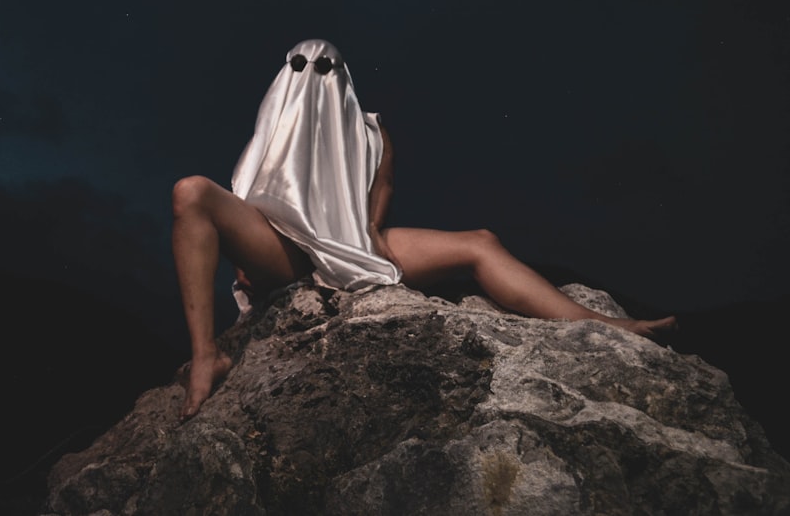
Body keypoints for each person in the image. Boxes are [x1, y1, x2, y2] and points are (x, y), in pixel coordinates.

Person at [172, 38, 676, 420]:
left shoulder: (371, 130)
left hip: (348, 241)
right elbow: (245, 193)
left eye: (325, 66)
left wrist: (371, 231)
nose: (310, 74)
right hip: (280, 247)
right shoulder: (275, 120)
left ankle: (601, 323)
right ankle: (205, 355)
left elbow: (381, 189)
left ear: (343, 76)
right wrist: (243, 256)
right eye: (299, 64)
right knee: (191, 190)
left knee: (480, 242)